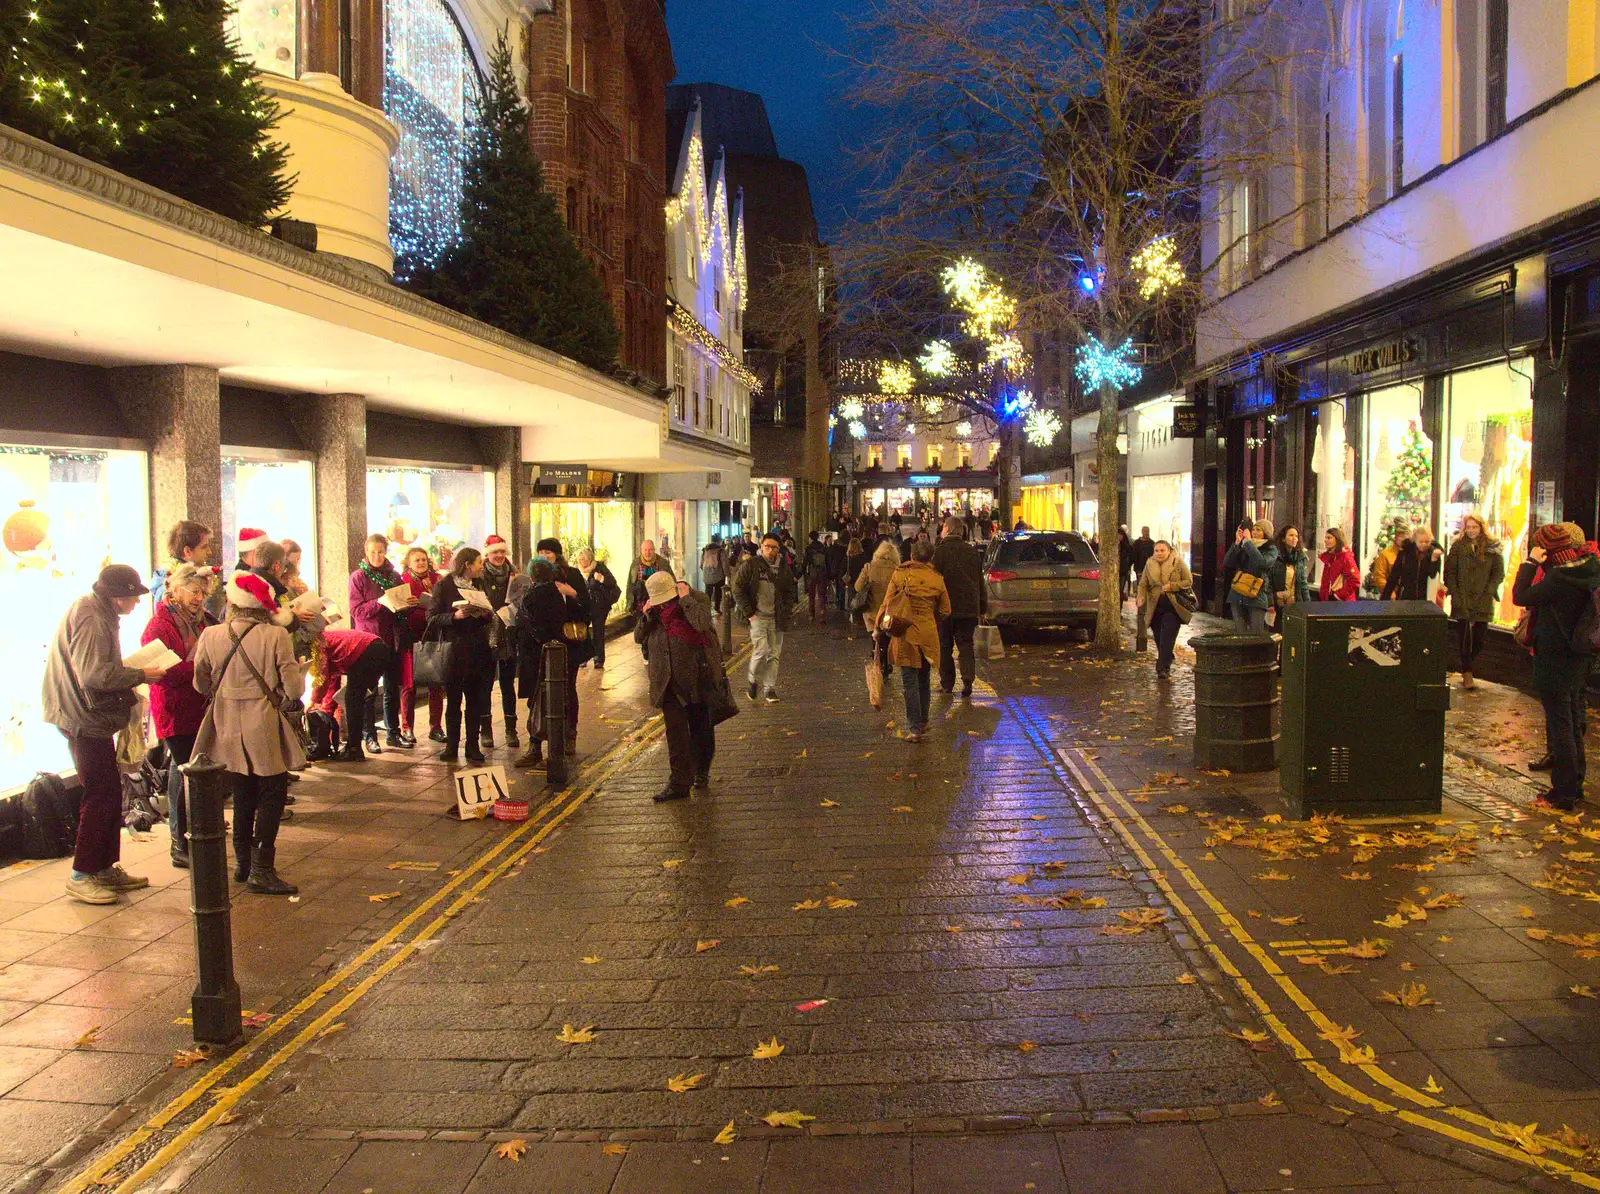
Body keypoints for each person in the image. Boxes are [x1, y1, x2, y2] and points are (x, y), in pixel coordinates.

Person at [43, 565, 167, 903]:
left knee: (109, 792)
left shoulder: (96, 609)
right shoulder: (93, 617)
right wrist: (141, 673)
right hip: (81, 716)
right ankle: (82, 874)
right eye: (134, 597)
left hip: (85, 713)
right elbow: (94, 675)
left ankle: (103, 867)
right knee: (100, 793)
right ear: (118, 597)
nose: (138, 603)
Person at [192, 572, 304, 895]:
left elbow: (200, 683)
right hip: (263, 721)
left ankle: (242, 863)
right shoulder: (276, 635)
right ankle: (262, 868)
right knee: (272, 791)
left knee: (242, 790)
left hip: (225, 721)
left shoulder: (211, 635)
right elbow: (294, 688)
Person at [1513, 522, 1600, 811]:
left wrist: (1529, 563)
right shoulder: (1589, 567)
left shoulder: (1559, 578)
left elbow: (1520, 596)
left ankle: (1563, 793)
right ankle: (1575, 784)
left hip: (1555, 658)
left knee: (1561, 724)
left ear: (1548, 550)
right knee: (1573, 721)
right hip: (1580, 655)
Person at [142, 563, 215, 868]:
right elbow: (164, 671)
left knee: (187, 768)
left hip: (197, 705)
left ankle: (193, 834)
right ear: (176, 589)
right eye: (195, 591)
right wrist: (203, 669)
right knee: (182, 769)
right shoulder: (159, 625)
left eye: (204, 592)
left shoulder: (198, 621)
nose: (200, 598)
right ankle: (178, 840)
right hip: (174, 708)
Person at [636, 572, 724, 801]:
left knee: (700, 729)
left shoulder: (697, 599)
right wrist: (645, 616)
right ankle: (678, 784)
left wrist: (686, 600)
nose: (663, 604)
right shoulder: (654, 611)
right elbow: (638, 637)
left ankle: (701, 772)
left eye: (665, 599)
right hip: (666, 680)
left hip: (696, 677)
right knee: (675, 734)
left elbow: (702, 623)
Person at [427, 547, 495, 765]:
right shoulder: (444, 585)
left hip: (477, 651)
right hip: (454, 651)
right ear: (467, 565)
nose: (481, 566)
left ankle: (472, 746)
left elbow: (486, 618)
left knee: (475, 701)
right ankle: (451, 746)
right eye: (478, 563)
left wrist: (485, 614)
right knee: (454, 701)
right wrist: (453, 616)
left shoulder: (479, 585)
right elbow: (432, 617)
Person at [878, 539, 951, 742]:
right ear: (931, 557)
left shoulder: (900, 574)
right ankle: (924, 720)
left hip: (905, 633)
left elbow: (887, 603)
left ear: (911, 555)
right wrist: (929, 620)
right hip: (927, 633)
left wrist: (878, 627)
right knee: (924, 678)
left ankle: (914, 728)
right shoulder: (937, 578)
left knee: (909, 680)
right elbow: (946, 609)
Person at [349, 533, 415, 754]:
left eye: (381, 552)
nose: (377, 556)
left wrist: (408, 604)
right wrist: (381, 603)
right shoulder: (358, 577)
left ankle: (393, 733)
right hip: (369, 640)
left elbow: (401, 604)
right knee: (369, 691)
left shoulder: (394, 575)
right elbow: (356, 610)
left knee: (391, 688)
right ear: (366, 553)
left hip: (393, 638)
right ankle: (369, 735)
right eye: (373, 552)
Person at [536, 538, 592, 755]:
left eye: (548, 552)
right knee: (542, 691)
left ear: (557, 554)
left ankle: (570, 733)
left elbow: (587, 607)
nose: (544, 555)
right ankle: (542, 737)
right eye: (541, 551)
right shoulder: (536, 575)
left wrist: (572, 594)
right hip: (543, 642)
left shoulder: (573, 575)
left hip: (569, 641)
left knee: (567, 687)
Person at [513, 557, 570, 769]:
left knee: (536, 703)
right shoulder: (556, 593)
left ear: (531, 576)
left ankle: (535, 748)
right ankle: (555, 749)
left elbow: (525, 624)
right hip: (552, 654)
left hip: (534, 656)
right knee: (550, 702)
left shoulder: (533, 595)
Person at [732, 532, 797, 703]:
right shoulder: (752, 565)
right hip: (758, 617)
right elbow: (737, 587)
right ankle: (752, 680)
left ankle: (769, 689)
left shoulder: (783, 567)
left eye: (774, 547)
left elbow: (790, 590)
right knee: (761, 651)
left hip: (777, 618)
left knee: (774, 654)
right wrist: (749, 613)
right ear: (761, 547)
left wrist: (787, 610)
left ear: (778, 549)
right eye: (767, 546)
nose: (770, 550)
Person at [1442, 514, 1505, 689]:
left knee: (1480, 637)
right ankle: (1467, 672)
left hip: (1483, 597)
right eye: (1468, 527)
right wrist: (1454, 592)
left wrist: (1491, 589)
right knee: (1464, 636)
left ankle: (1467, 664)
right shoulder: (1458, 547)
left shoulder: (1492, 548)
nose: (1471, 530)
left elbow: (1498, 571)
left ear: (1481, 528)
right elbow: (1450, 571)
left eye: (1474, 527)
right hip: (1462, 597)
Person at [932, 517, 986, 697]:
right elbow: (979, 581)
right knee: (965, 644)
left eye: (943, 526)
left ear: (947, 528)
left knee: (944, 645)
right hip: (968, 607)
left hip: (945, 607)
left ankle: (947, 683)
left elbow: (934, 581)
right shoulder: (971, 552)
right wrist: (982, 606)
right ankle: (968, 679)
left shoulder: (940, 552)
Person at [399, 546, 444, 743]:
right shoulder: (403, 582)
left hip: (434, 636)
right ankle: (407, 728)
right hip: (412, 637)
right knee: (409, 685)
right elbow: (400, 610)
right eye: (416, 560)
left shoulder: (438, 580)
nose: (421, 563)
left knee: (436, 683)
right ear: (408, 563)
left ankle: (436, 727)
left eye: (423, 559)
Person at [479, 535, 520, 752]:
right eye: (495, 552)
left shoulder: (514, 574)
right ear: (487, 554)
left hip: (508, 636)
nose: (499, 556)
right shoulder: (480, 575)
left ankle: (511, 729)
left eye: (502, 552)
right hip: (486, 636)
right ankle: (485, 730)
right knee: (485, 685)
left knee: (507, 685)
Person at [1137, 541, 1193, 680]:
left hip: (1173, 606)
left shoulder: (1177, 562)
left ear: (1168, 550)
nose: (1159, 553)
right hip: (1155, 606)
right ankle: (1166, 656)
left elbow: (1188, 581)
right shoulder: (1149, 564)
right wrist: (1141, 596)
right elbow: (1143, 583)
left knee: (1167, 637)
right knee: (1158, 637)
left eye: (1162, 550)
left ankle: (1162, 668)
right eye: (1157, 551)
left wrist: (1172, 586)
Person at [1222, 520, 1278, 636]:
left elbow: (1261, 562)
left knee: (1255, 635)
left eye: (1258, 530)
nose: (1254, 532)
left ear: (1266, 533)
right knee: (1240, 634)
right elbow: (1227, 562)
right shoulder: (1245, 545)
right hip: (1237, 594)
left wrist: (1248, 543)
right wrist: (1237, 543)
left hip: (1256, 596)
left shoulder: (1271, 549)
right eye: (1253, 529)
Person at [857, 538, 901, 682]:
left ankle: (878, 659)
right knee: (886, 637)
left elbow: (858, 587)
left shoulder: (869, 567)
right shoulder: (897, 570)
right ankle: (886, 662)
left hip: (871, 610)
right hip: (888, 611)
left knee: (874, 637)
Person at [576, 548, 622, 670]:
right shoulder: (577, 571)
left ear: (590, 559)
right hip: (583, 607)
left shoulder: (599, 568)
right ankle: (583, 657)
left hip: (598, 606)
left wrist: (601, 578)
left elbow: (612, 582)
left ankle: (598, 659)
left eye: (584, 559)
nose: (581, 562)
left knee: (598, 633)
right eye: (580, 559)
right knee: (582, 632)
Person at [1381, 525, 1442, 601]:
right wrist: (1384, 599)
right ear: (1415, 540)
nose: (1424, 544)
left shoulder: (1434, 554)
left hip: (1425, 599)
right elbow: (1393, 577)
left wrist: (1434, 560)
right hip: (1405, 598)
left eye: (1427, 541)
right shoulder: (1405, 553)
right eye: (1421, 541)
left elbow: (1433, 576)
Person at [1271, 526, 1312, 619]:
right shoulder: (1275, 557)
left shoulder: (1300, 557)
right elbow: (1268, 580)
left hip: (1295, 602)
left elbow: (1303, 584)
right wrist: (1273, 598)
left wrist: (1308, 604)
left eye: (1296, 536)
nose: (1294, 538)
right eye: (1291, 535)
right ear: (1283, 538)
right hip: (1278, 603)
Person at [1369, 519, 1411, 596]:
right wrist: (1391, 595)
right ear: (1395, 537)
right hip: (1391, 599)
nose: (1403, 540)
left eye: (1405, 537)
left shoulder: (1413, 554)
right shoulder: (1385, 554)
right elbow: (1379, 577)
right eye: (1400, 537)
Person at [1318, 528, 1360, 601]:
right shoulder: (1330, 558)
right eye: (1325, 538)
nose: (1325, 540)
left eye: (1329, 538)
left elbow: (1354, 580)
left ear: (1337, 539)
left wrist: (1337, 596)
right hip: (1329, 602)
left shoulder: (1345, 557)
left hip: (1343, 604)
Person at [627, 540, 665, 614]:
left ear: (654, 550)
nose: (648, 553)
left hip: (659, 607)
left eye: (650, 550)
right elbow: (630, 586)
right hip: (640, 607)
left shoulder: (663, 563)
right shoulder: (635, 564)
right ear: (641, 550)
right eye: (645, 550)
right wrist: (629, 606)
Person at [802, 531, 830, 619]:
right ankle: (822, 610)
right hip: (822, 572)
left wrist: (799, 574)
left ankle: (811, 614)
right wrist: (829, 575)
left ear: (810, 538)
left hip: (812, 573)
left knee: (811, 594)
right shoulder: (823, 547)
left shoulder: (808, 548)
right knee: (822, 593)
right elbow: (828, 562)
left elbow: (805, 563)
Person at [700, 537, 727, 612]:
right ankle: (717, 608)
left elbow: (701, 564)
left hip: (707, 575)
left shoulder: (705, 550)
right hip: (719, 576)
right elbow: (724, 564)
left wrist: (705, 571)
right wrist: (727, 574)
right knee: (718, 593)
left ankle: (706, 609)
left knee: (708, 593)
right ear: (719, 541)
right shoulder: (721, 551)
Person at [1116, 526, 1135, 603]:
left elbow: (1131, 556)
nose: (1119, 537)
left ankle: (1119, 608)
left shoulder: (1126, 546)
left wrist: (1127, 565)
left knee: (1121, 590)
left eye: (1120, 535)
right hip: (1114, 571)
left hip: (1123, 571)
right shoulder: (1113, 546)